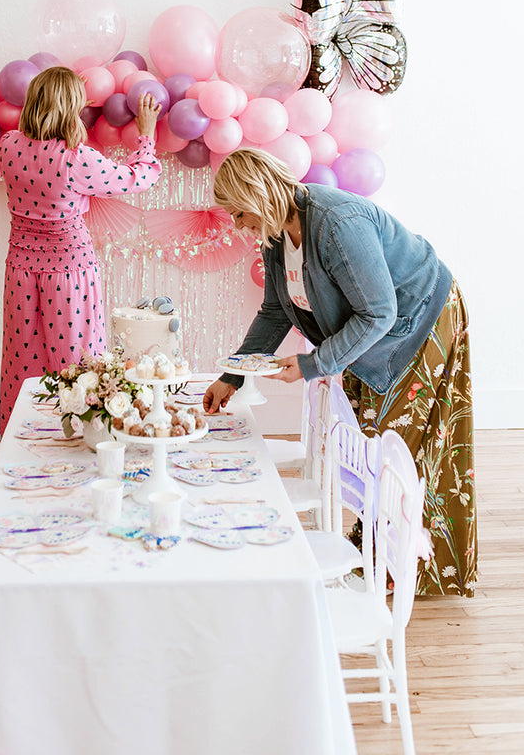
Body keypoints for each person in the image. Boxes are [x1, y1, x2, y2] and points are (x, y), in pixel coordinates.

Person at [203, 148, 476, 597]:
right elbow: (275, 311)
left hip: (421, 317)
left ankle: (393, 565)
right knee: (371, 441)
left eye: (238, 213)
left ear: (257, 196)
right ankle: (377, 550)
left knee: (394, 445)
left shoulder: (336, 223)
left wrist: (313, 365)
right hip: (377, 328)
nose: (237, 225)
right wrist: (233, 376)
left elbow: (380, 312)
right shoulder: (275, 234)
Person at [0, 66, 162, 435]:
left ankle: (22, 438)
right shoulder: (76, 158)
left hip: (20, 271)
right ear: (69, 108)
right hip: (70, 271)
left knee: (21, 362)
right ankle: (84, 437)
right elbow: (137, 177)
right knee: (79, 361)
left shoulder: (7, 146)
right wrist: (146, 136)